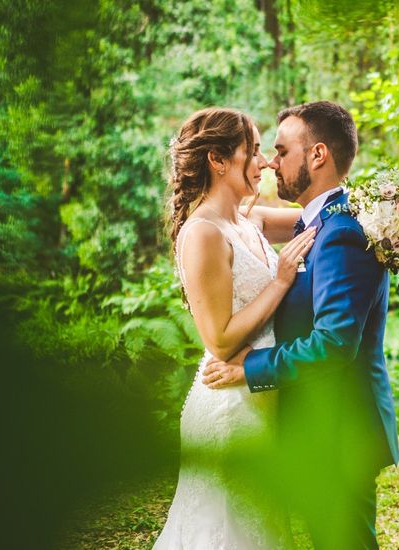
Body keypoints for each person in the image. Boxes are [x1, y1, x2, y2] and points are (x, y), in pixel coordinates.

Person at [203, 101, 399, 550]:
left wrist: (248, 368)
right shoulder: (318, 223)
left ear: (318, 155)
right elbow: (241, 221)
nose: (271, 161)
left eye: (280, 149)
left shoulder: (342, 233)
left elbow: (333, 342)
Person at [154, 107, 315, 549]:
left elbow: (321, 221)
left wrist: (392, 210)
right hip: (228, 408)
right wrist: (281, 281)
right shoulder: (203, 233)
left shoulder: (249, 221)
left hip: (261, 401)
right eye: (255, 151)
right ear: (218, 160)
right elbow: (220, 340)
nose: (265, 163)